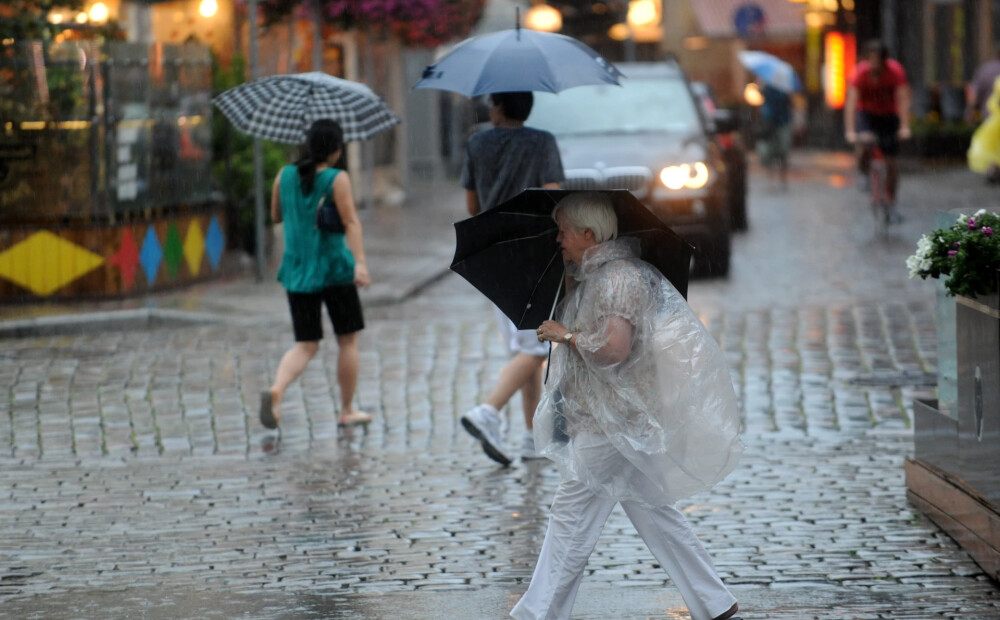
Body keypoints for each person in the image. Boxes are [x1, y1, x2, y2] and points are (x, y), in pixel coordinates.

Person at [511, 192, 744, 620]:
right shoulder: (598, 275)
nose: (558, 239)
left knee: (571, 515)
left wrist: (566, 335)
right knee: (655, 512)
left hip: (610, 422)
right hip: (622, 419)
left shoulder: (615, 279)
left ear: (588, 233)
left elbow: (614, 348)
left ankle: (537, 613)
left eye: (563, 231)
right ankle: (714, 601)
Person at [459, 91, 565, 464]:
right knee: (535, 348)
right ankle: (488, 411)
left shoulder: (477, 143)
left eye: (492, 102)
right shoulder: (543, 142)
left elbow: (472, 206)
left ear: (500, 107)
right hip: (531, 251)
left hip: (490, 252)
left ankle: (531, 438)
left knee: (527, 347)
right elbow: (551, 195)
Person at [259, 119, 373, 430]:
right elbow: (351, 223)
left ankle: (277, 390)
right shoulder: (337, 179)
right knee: (347, 341)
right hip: (334, 269)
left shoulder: (284, 176)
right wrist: (359, 263)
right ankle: (347, 409)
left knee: (305, 344)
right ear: (336, 150)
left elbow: (275, 215)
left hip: (297, 270)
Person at [844, 39, 911, 219]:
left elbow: (903, 98)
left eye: (877, 60)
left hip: (889, 116)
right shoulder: (860, 73)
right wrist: (850, 131)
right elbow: (851, 102)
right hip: (867, 114)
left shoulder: (895, 71)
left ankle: (891, 203)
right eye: (870, 59)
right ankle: (863, 171)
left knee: (892, 163)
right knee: (865, 141)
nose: (873, 64)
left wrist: (904, 126)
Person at [755, 80, 793, 189]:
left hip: (782, 122)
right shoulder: (766, 86)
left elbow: (789, 103)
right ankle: (770, 179)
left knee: (783, 151)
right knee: (769, 152)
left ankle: (783, 179)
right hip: (769, 123)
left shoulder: (784, 87)